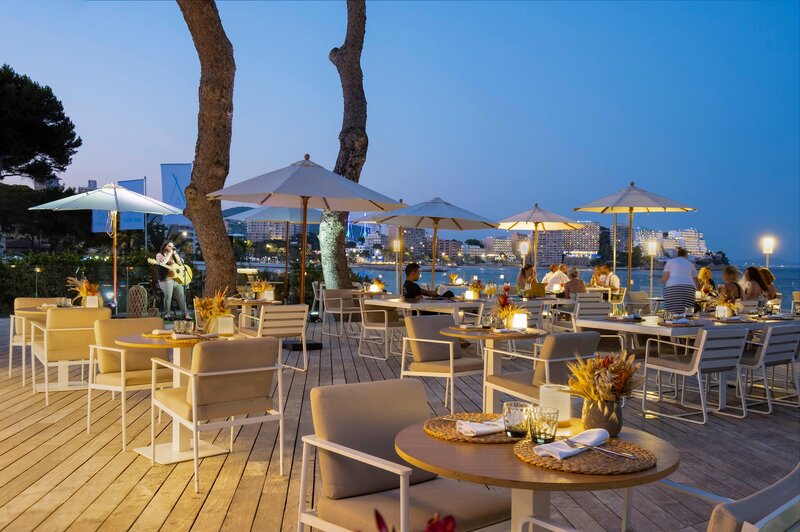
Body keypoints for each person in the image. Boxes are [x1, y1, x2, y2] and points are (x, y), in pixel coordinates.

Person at [155, 241, 188, 319]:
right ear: (165, 247)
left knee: (181, 296)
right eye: (169, 246)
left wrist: (175, 254)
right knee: (168, 296)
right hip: (166, 279)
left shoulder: (174, 255)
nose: (171, 248)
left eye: (172, 246)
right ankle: (167, 314)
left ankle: (185, 314)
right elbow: (163, 263)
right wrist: (170, 254)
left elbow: (181, 263)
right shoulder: (159, 255)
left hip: (176, 279)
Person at [660, 247, 699, 313]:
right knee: (687, 312)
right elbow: (697, 283)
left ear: (677, 254)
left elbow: (665, 278)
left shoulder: (670, 262)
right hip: (688, 289)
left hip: (672, 289)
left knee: (672, 312)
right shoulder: (690, 264)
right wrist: (698, 289)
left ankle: (672, 318)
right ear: (686, 255)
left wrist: (660, 280)